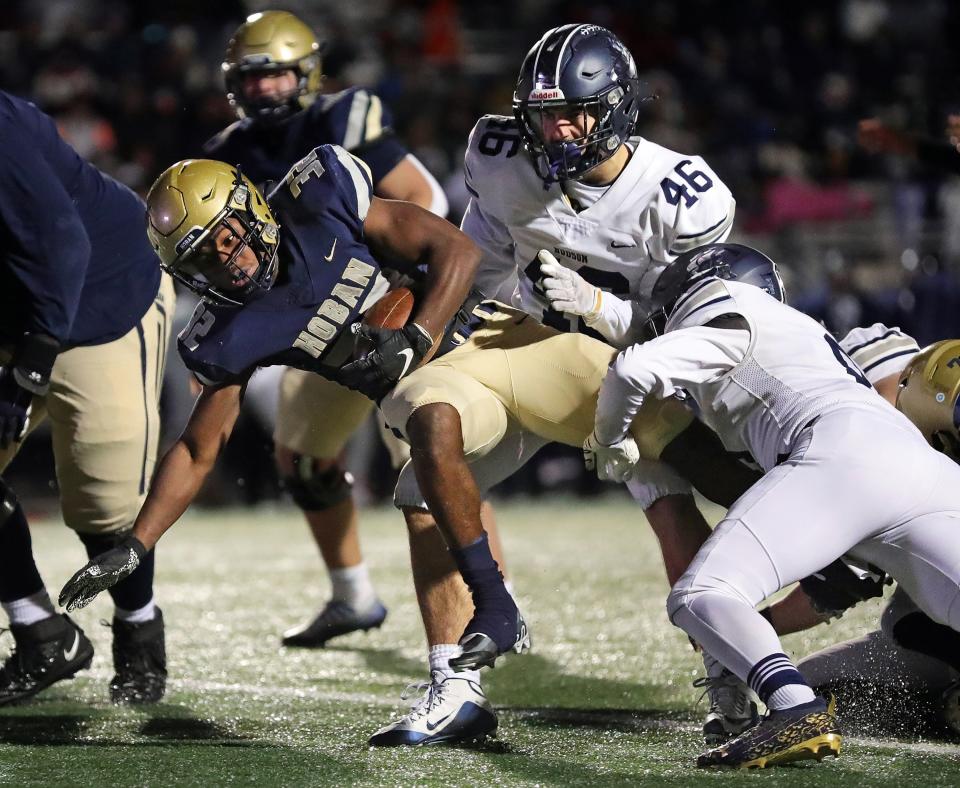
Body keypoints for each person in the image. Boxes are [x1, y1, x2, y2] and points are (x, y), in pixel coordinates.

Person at [367, 23, 745, 747]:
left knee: (668, 493)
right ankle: (455, 681)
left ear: (619, 109)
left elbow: (702, 325)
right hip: (514, 339)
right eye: (545, 112)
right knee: (421, 482)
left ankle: (733, 670)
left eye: (576, 111)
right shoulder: (500, 151)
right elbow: (480, 256)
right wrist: (429, 321)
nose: (558, 127)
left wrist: (602, 309)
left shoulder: (683, 193)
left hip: (627, 362)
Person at [587, 243, 960, 768]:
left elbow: (631, 370)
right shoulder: (801, 331)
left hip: (839, 449)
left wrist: (607, 439)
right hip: (926, 471)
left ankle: (793, 707)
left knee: (701, 595)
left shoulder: (731, 313)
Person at [205, 9, 456, 648]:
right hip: (323, 331)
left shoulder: (343, 120)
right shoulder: (228, 152)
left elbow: (427, 199)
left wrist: (399, 288)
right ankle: (353, 596)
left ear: (307, 73)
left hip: (391, 305)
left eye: (277, 76)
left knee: (434, 464)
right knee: (303, 459)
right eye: (252, 78)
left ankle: (491, 604)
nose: (264, 90)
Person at [0, 90, 173, 705]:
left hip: (99, 297)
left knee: (105, 507)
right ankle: (41, 631)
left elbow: (61, 243)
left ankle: (138, 625)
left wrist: (28, 371)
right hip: (16, 309)